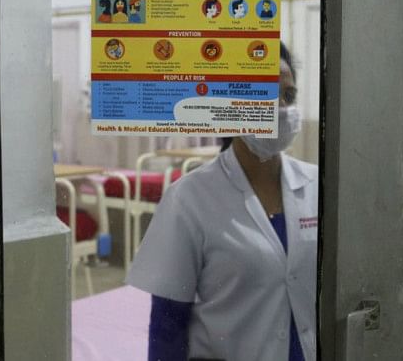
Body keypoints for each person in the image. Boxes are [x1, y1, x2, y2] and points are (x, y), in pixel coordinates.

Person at [127, 43, 316, 361]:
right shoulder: (190, 198)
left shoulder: (317, 187)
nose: (281, 107)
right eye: (266, 94)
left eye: (289, 95)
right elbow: (168, 325)